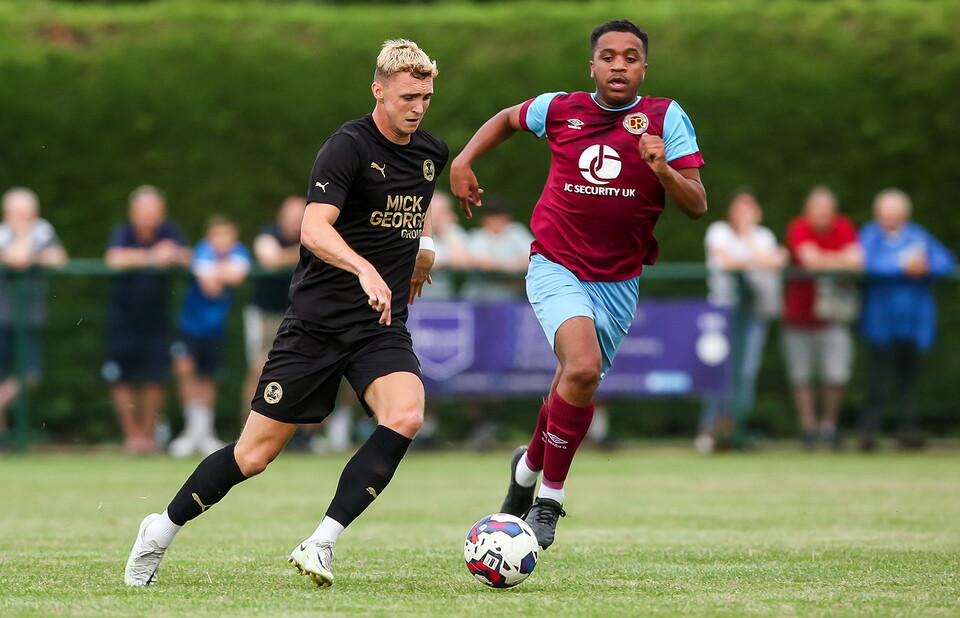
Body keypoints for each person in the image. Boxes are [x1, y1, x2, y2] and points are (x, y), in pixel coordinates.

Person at [124, 39, 447, 588]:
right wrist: (364, 269)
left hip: (378, 327)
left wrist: (424, 252)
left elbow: (416, 207)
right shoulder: (347, 147)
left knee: (406, 415)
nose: (417, 108)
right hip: (316, 326)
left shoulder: (430, 152)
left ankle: (321, 542)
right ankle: (158, 530)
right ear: (378, 90)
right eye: (407, 97)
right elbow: (313, 229)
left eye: (426, 97)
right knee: (253, 456)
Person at [451, 19, 706, 549]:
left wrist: (663, 170)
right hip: (556, 263)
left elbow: (697, 204)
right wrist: (464, 159)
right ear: (592, 66)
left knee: (573, 382)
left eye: (630, 57)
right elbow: (507, 118)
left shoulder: (665, 118)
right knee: (583, 367)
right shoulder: (560, 109)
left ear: (644, 68)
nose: (619, 65)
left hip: (619, 280)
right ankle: (549, 500)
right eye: (608, 56)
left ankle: (525, 470)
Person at [857, 188, 955, 451]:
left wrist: (926, 267)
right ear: (877, 214)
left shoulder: (917, 236)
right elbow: (865, 263)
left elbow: (945, 261)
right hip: (880, 321)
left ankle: (906, 430)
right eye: (885, 213)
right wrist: (901, 267)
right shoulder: (870, 236)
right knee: (876, 379)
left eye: (895, 213)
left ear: (905, 215)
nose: (889, 218)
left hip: (912, 322)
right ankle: (869, 432)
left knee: (907, 379)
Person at [696, 190, 786, 453]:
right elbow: (726, 262)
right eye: (740, 209)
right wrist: (759, 260)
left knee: (746, 372)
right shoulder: (718, 231)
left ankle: (735, 431)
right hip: (722, 313)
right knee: (718, 370)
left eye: (750, 209)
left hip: (753, 312)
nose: (745, 214)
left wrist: (748, 236)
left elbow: (775, 263)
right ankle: (708, 429)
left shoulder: (763, 235)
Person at [103, 186, 190, 455]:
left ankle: (147, 436)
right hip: (122, 320)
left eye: (156, 211)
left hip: (157, 320)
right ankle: (132, 437)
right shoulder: (123, 232)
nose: (151, 217)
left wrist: (174, 255)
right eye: (146, 211)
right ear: (133, 212)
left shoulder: (169, 232)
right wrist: (152, 257)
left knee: (156, 377)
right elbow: (113, 259)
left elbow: (189, 256)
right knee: (121, 378)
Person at [781, 185, 863, 450]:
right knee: (801, 376)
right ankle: (809, 429)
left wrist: (824, 259)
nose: (821, 215)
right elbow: (810, 262)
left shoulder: (843, 226)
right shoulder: (798, 227)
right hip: (799, 315)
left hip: (833, 317)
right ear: (808, 210)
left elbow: (857, 261)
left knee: (835, 375)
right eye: (817, 210)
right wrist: (838, 259)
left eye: (826, 210)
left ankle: (829, 427)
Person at [168, 215, 251, 458]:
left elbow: (235, 277)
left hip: (216, 329)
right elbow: (210, 287)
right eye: (218, 235)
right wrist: (223, 271)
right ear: (209, 237)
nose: (222, 240)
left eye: (227, 236)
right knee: (185, 371)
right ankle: (193, 430)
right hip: (189, 326)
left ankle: (204, 433)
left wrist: (212, 271)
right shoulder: (203, 250)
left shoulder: (238, 252)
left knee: (208, 377)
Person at [0, 188, 68, 450]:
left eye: (27, 213)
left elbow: (59, 259)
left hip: (29, 319)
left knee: (29, 376)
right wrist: (24, 239)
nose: (23, 218)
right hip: (3, 318)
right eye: (17, 213)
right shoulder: (3, 233)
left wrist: (30, 249)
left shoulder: (43, 231)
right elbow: (17, 259)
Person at [242, 196, 304, 421]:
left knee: (301, 371)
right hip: (265, 313)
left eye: (300, 217)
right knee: (259, 369)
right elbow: (270, 259)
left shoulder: (309, 235)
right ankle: (248, 427)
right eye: (292, 216)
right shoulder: (269, 232)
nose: (296, 221)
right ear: (281, 216)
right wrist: (308, 248)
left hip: (300, 313)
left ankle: (302, 431)